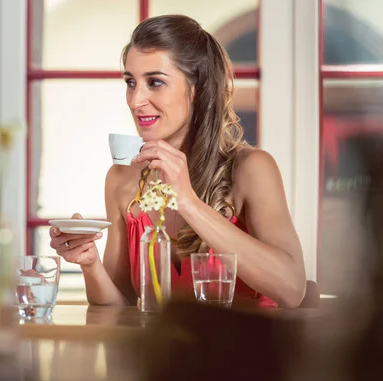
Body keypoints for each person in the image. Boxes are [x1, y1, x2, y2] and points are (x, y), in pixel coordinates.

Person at [49, 15, 306, 308]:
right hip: (159, 355)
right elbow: (121, 304)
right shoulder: (122, 179)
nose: (135, 100)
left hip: (245, 352)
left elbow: (292, 288)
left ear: (196, 89)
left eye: (155, 82)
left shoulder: (251, 169)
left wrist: (188, 201)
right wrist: (89, 263)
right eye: (131, 83)